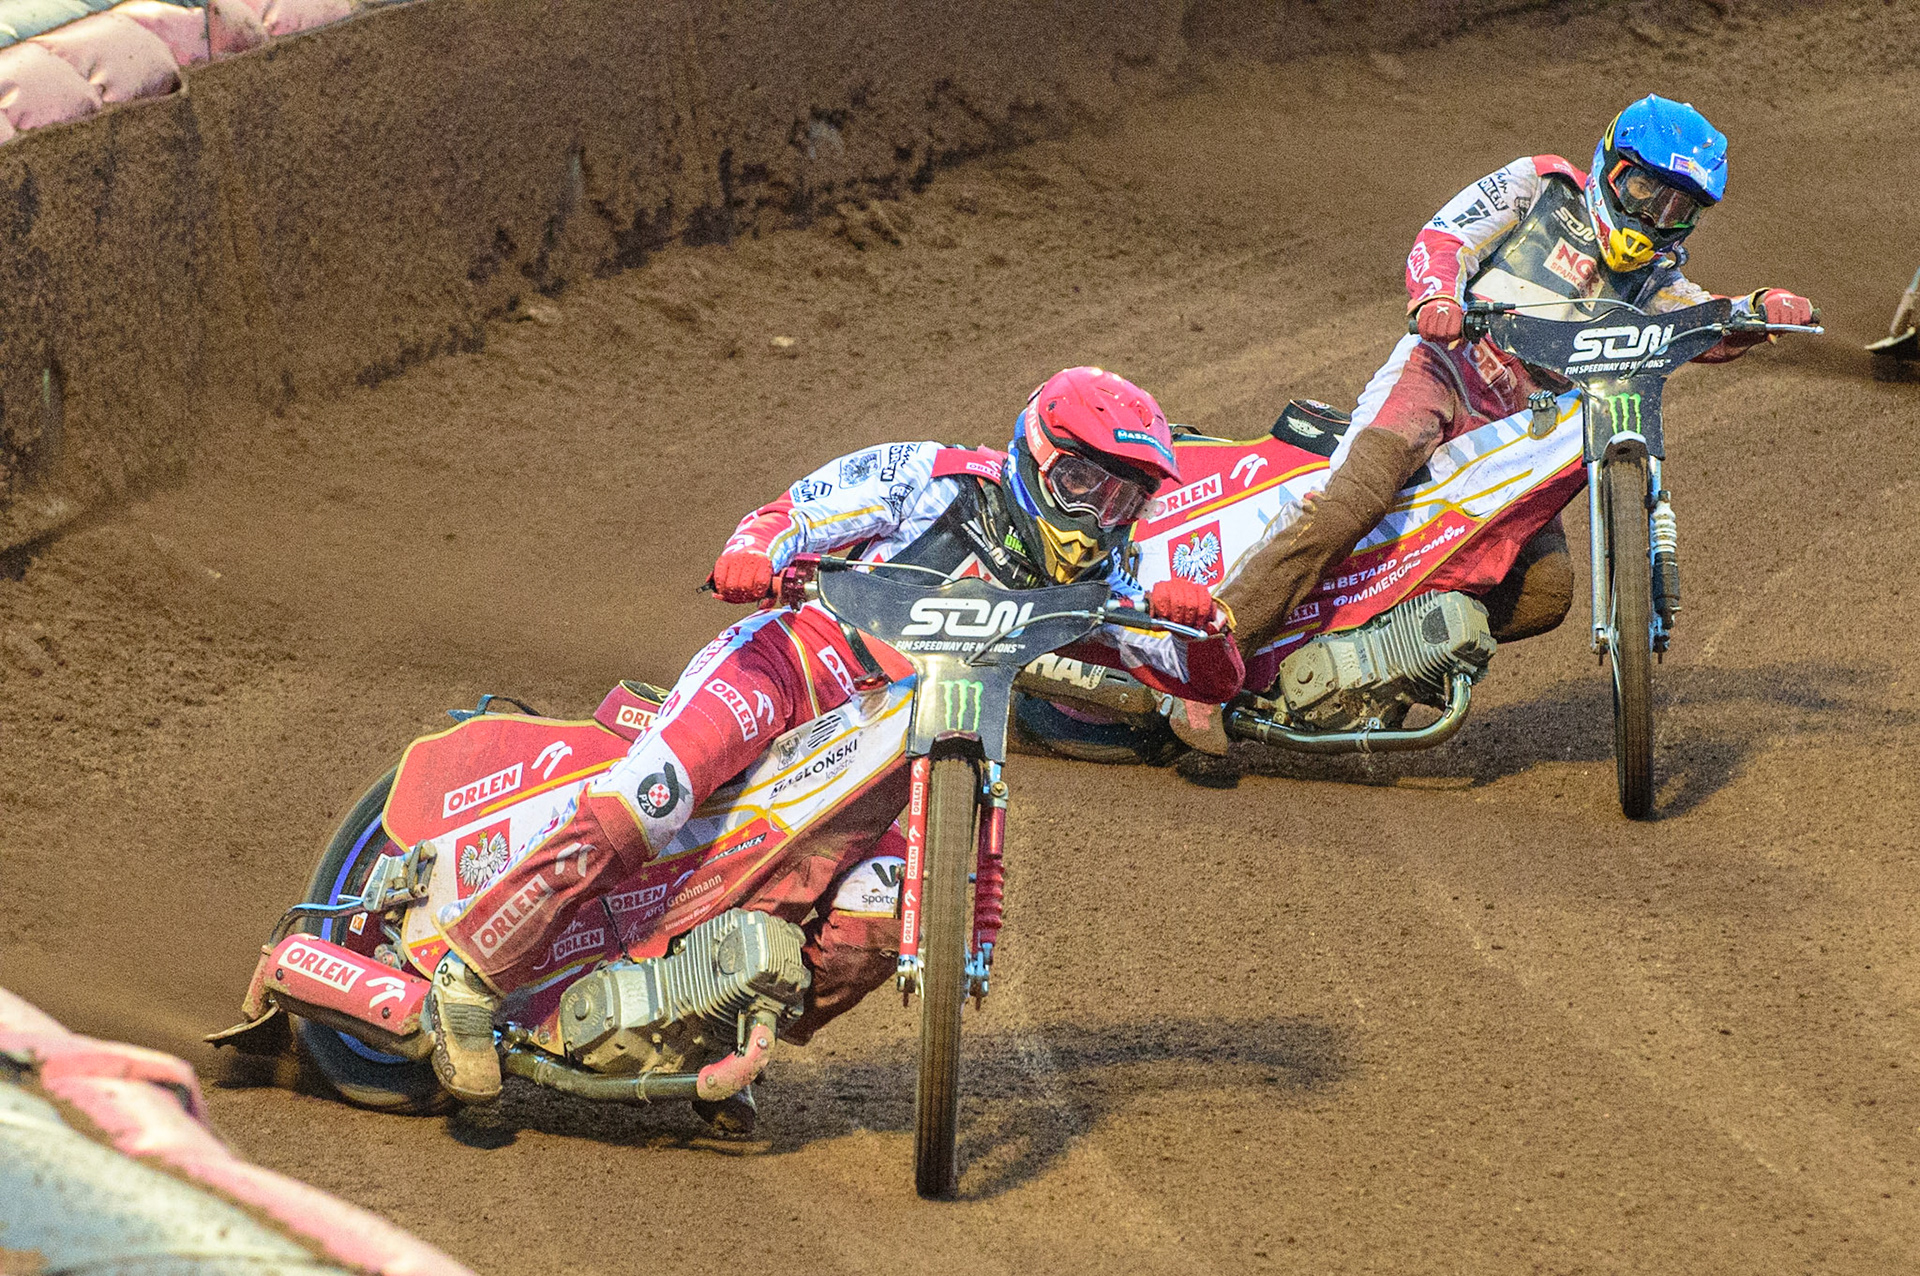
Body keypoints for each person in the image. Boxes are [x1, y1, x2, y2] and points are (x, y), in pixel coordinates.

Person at [424, 366, 1245, 1109]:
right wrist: (754, 552)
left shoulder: (1106, 580)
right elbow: (792, 513)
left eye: (1120, 501)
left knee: (883, 918)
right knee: (656, 796)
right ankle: (469, 975)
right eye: (1079, 484)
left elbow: (1202, 681)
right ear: (1034, 456)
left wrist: (1205, 624)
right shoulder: (933, 476)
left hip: (907, 752)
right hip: (795, 668)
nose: (1096, 517)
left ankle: (710, 1026)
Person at [1216, 94, 1818, 659]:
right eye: (1643, 191)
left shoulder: (1656, 278)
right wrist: (1436, 298)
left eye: (1676, 208)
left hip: (1526, 438)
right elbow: (1447, 235)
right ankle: (1210, 663)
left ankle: (1390, 652)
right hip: (1446, 375)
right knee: (1353, 504)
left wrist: (1758, 308)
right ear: (1610, 167)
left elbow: (1696, 318)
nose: (1654, 217)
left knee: (1545, 593)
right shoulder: (1541, 184)